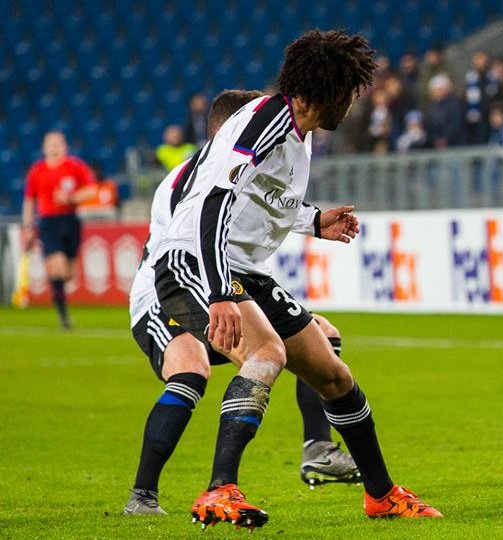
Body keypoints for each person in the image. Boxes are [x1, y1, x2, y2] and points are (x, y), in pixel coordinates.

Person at [151, 29, 440, 528]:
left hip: (245, 269)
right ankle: (219, 491)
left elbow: (265, 200)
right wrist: (219, 293)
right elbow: (215, 201)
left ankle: (382, 494)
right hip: (195, 261)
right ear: (318, 93)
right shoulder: (267, 120)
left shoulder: (295, 137)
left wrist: (315, 221)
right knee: (266, 354)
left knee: (333, 375)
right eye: (347, 93)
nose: (351, 104)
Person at [123, 90, 359, 517]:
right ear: (227, 129)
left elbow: (265, 202)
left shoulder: (235, 169)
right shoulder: (185, 177)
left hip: (217, 283)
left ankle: (318, 447)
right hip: (163, 294)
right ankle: (143, 496)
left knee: (321, 334)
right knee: (190, 370)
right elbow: (200, 228)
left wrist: (314, 221)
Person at [21, 131, 97, 328]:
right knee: (58, 267)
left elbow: (91, 189)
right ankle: (64, 316)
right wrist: (28, 227)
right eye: (50, 144)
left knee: (69, 274)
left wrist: (72, 198)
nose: (54, 147)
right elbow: (29, 201)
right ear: (44, 148)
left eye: (57, 143)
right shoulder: (37, 171)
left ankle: (58, 288)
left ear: (65, 146)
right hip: (48, 222)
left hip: (70, 220)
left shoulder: (75, 166)